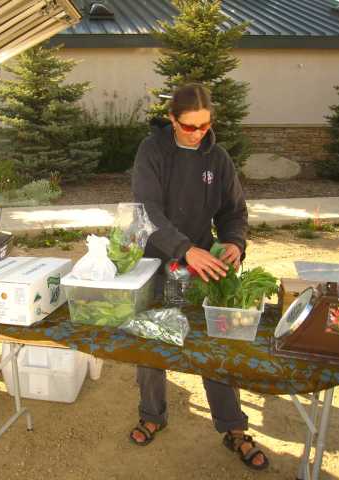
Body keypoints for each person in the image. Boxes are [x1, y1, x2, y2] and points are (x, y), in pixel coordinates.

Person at [130, 83, 269, 471]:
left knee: (214, 342)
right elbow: (147, 211)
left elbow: (233, 210)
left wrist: (233, 243)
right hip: (160, 261)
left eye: (205, 126)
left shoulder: (218, 157)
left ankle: (233, 427)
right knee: (155, 342)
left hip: (202, 263)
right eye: (190, 127)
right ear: (172, 119)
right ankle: (152, 414)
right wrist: (183, 248)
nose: (199, 134)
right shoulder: (152, 151)